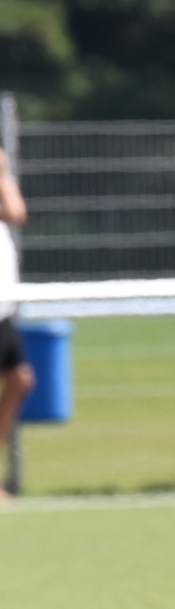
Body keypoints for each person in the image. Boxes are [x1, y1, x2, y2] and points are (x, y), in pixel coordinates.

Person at [0, 142, 30, 499]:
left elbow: (16, 211)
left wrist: (3, 173)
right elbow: (14, 210)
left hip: (3, 308)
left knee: (20, 380)